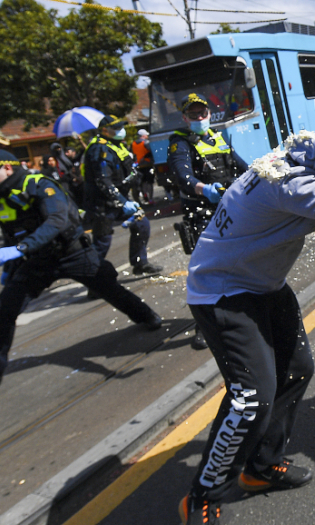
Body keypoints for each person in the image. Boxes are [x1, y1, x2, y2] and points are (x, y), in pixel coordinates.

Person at [179, 119, 315, 525]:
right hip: (224, 293)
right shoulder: (292, 185)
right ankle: (202, 495)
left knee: (296, 371)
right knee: (251, 397)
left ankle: (260, 466)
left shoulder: (291, 160)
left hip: (263, 285)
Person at [0, 150, 162, 390]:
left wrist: (20, 248)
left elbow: (56, 221)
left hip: (72, 253)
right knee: (2, 308)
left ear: (7, 168)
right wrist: (10, 265)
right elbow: (10, 232)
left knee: (108, 288)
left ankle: (146, 316)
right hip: (36, 261)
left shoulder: (39, 185)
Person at [168, 93, 250, 349]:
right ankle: (205, 325)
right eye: (193, 114)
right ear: (185, 117)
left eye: (202, 113)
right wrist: (205, 189)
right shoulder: (179, 142)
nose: (200, 118)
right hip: (202, 212)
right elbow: (183, 177)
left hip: (230, 208)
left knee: (239, 262)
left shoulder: (217, 136)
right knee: (208, 271)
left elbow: (239, 165)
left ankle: (239, 313)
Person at [84, 114, 164, 280]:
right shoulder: (99, 149)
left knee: (142, 224)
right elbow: (103, 181)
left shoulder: (117, 145)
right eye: (117, 128)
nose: (121, 131)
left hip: (120, 198)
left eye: (121, 127)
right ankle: (94, 280)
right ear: (105, 130)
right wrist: (122, 202)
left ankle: (140, 263)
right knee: (102, 242)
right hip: (102, 204)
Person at [131, 129, 158, 204]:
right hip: (148, 164)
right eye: (146, 135)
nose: (147, 136)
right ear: (143, 135)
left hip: (139, 165)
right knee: (149, 182)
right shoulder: (146, 143)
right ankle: (151, 198)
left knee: (143, 182)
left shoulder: (133, 144)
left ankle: (145, 196)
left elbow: (133, 154)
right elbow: (152, 151)